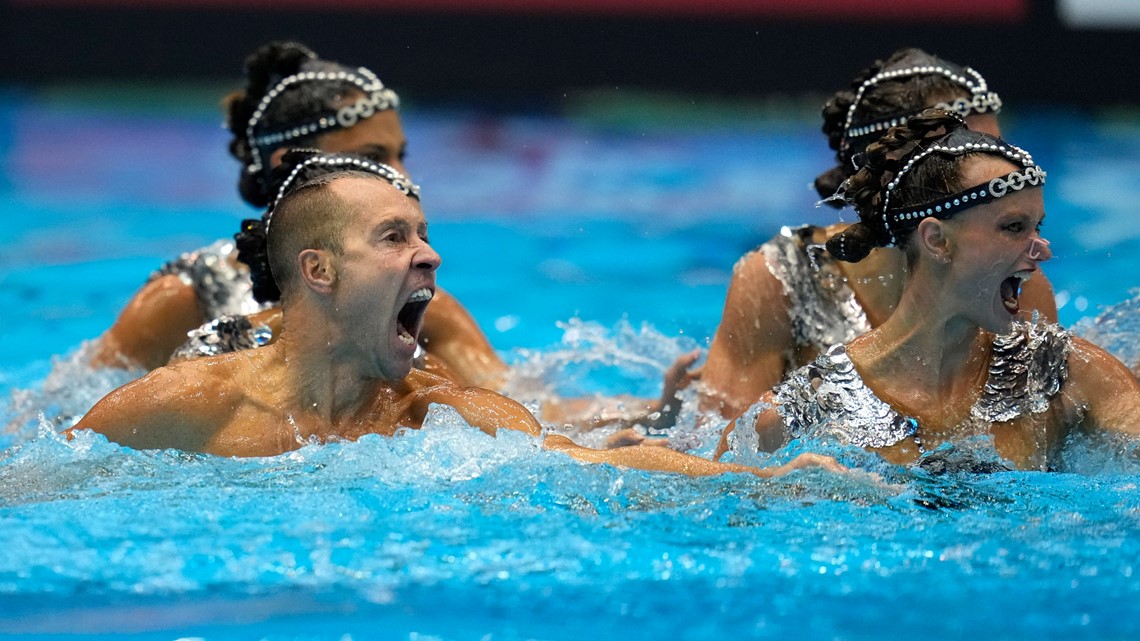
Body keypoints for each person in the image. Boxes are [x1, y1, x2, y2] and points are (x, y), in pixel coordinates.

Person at [69, 165, 841, 479]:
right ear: (319, 271)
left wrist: (760, 481)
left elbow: (588, 465)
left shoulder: (435, 415)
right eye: (395, 237)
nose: (431, 256)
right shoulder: (188, 404)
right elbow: (34, 485)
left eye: (426, 233)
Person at [714, 110, 1140, 471]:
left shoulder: (1061, 371)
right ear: (937, 240)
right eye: (1013, 228)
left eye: (1037, 227)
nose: (1042, 250)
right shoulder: (811, 407)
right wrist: (770, 485)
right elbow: (675, 489)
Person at [88, 41, 507, 390]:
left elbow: (525, 408)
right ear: (289, 163)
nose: (402, 177)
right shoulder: (184, 299)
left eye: (400, 156)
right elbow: (79, 420)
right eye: (373, 157)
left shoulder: (413, 299)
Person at [697, 48, 1058, 421]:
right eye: (965, 152)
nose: (995, 170)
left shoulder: (1013, 285)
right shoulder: (781, 278)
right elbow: (727, 451)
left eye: (997, 148)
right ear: (890, 167)